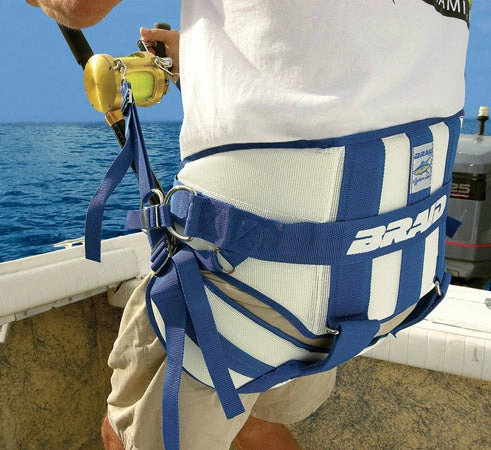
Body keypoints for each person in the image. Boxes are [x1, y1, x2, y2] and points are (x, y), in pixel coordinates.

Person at [26, 1, 471, 449]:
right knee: (250, 413)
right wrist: (207, 54)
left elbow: (81, 7)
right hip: (362, 294)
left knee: (125, 435)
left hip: (246, 296)